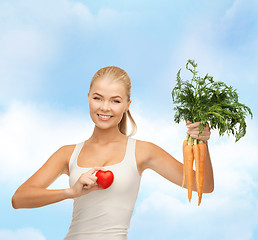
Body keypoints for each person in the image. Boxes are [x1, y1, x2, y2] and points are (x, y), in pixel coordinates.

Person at [11, 66, 214, 240]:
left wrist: (202, 144)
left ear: (127, 105)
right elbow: (19, 199)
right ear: (88, 98)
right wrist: (70, 192)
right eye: (98, 98)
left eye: (115, 101)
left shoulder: (143, 151)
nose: (105, 108)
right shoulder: (67, 153)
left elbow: (204, 186)